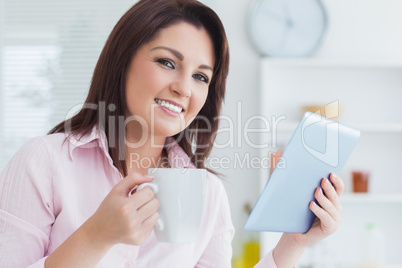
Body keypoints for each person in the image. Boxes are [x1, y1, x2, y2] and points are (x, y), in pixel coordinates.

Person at [0, 0, 344, 267]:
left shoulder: (207, 193)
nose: (183, 88)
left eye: (201, 76)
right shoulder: (43, 162)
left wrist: (292, 246)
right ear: (123, 60)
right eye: (167, 62)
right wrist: (95, 236)